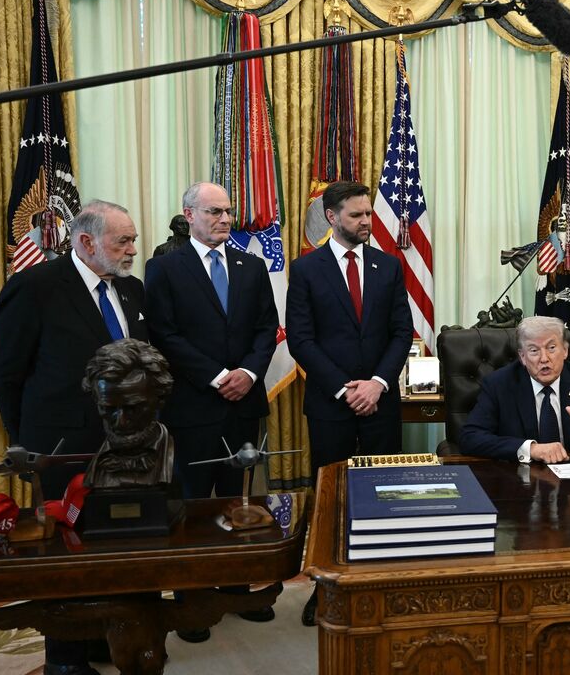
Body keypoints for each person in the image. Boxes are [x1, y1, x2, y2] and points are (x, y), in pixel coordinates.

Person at [0, 199, 143, 675]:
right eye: (124, 241)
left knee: (119, 547)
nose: (133, 249)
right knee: (68, 554)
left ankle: (107, 638)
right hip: (61, 451)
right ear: (86, 241)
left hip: (129, 446)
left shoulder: (133, 290)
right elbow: (5, 372)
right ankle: (66, 660)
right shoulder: (34, 288)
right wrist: (31, 442)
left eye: (133, 239)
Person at [144, 181, 279, 638]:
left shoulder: (251, 265)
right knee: (194, 504)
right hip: (194, 403)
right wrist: (219, 376)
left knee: (239, 501)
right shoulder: (164, 268)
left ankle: (238, 589)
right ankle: (192, 598)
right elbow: (164, 334)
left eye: (228, 211)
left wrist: (249, 373)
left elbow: (267, 328)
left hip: (244, 404)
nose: (225, 219)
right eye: (215, 211)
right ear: (189, 214)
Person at [286, 181, 412, 626]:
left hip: (380, 402)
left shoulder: (388, 266)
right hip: (330, 405)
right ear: (333, 216)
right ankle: (325, 591)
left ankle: (379, 582)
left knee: (383, 495)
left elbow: (401, 332)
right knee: (331, 502)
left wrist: (377, 383)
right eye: (357, 215)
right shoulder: (306, 270)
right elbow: (300, 339)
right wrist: (345, 388)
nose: (366, 222)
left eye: (367, 214)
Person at [460, 316, 570, 462]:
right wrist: (531, 449)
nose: (544, 359)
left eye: (551, 348)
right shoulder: (499, 384)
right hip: (518, 482)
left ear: (565, 350)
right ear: (522, 356)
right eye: (534, 350)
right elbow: (471, 437)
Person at [81, 339, 176, 489]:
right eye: (109, 408)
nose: (121, 422)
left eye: (134, 408)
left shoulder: (180, 460)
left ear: (160, 399)